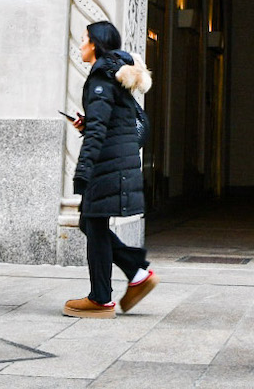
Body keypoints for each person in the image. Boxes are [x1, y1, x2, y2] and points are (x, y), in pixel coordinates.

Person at [64, 20, 158, 319]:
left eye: (84, 39)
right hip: (114, 162)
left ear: (95, 44)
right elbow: (112, 120)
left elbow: (100, 131)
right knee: (90, 223)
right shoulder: (110, 75)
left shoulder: (101, 79)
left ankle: (101, 298)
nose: (80, 45)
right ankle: (135, 272)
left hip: (107, 164)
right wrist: (88, 122)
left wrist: (82, 171)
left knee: (93, 222)